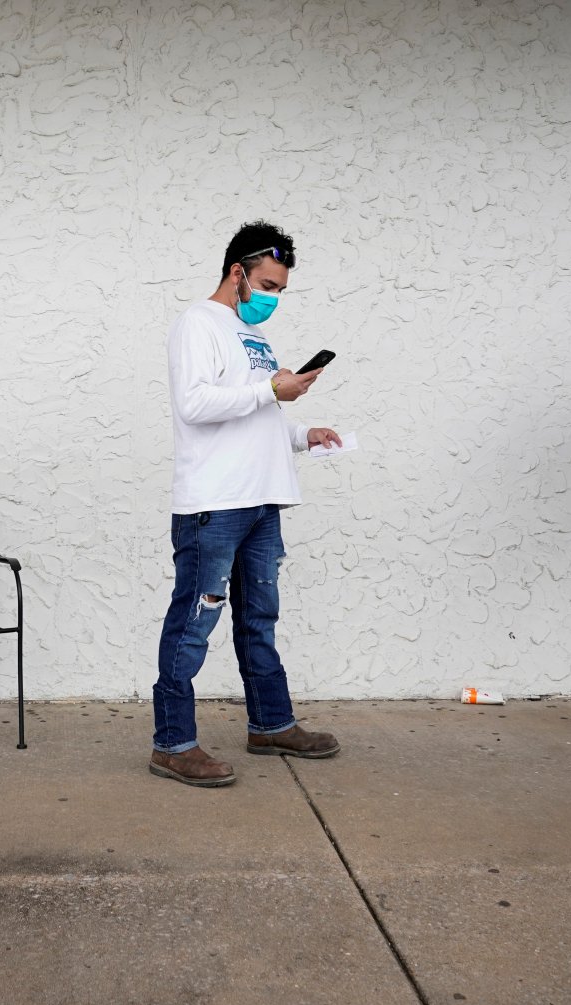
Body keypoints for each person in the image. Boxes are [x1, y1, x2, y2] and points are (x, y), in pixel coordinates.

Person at [148, 221, 343, 787]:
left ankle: (271, 723)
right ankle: (172, 743)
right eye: (266, 284)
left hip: (263, 500)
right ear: (237, 273)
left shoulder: (248, 335)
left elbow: (256, 412)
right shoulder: (197, 324)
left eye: (280, 289)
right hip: (215, 503)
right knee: (194, 622)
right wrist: (269, 391)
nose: (271, 297)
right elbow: (195, 404)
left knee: (259, 618)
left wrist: (303, 432)